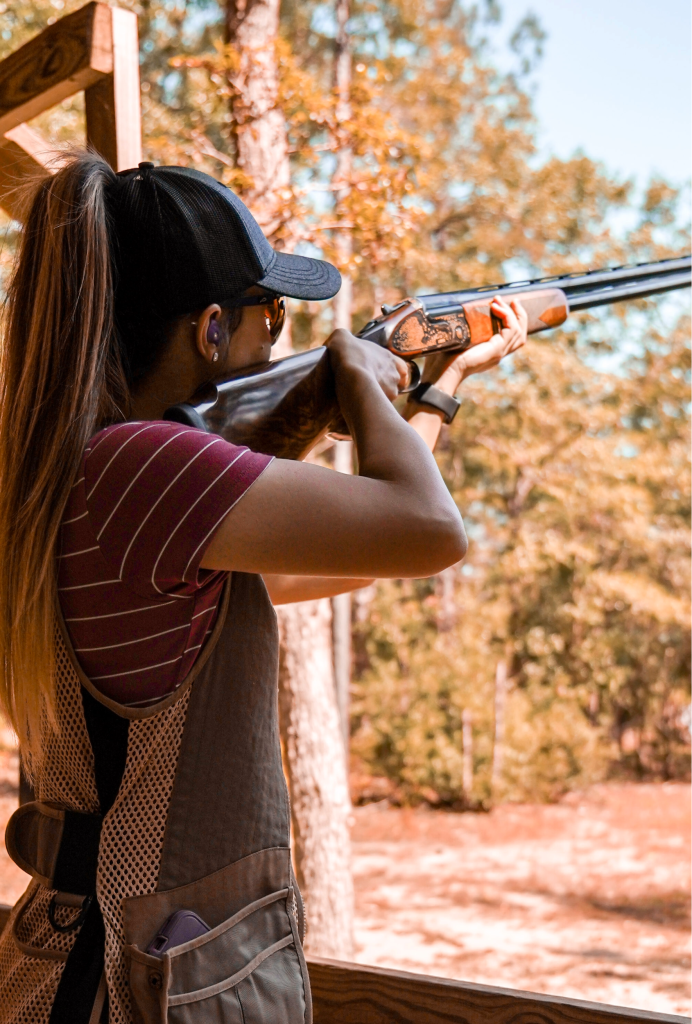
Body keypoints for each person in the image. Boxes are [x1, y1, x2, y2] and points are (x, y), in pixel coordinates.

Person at [0, 153, 527, 1024]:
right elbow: (433, 532)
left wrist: (437, 393)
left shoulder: (81, 475)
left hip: (95, 970)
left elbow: (360, 552)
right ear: (211, 329)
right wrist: (356, 378)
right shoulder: (145, 466)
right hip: (137, 988)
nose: (282, 337)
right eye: (272, 317)